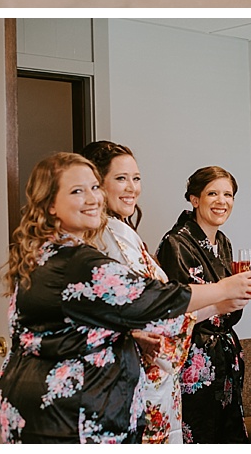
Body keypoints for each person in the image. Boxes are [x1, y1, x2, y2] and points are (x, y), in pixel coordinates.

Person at [0, 153, 251, 443]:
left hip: (54, 406)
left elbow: (75, 322)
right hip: (70, 415)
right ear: (50, 205)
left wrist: (128, 335)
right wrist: (225, 289)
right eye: (77, 191)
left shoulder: (44, 252)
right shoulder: (79, 263)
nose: (92, 198)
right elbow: (153, 298)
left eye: (95, 187)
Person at [79, 140, 206, 444]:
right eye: (121, 178)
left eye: (136, 179)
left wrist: (224, 300)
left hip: (155, 382)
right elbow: (87, 310)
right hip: (121, 379)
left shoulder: (127, 235)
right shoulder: (91, 242)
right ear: (96, 184)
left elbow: (160, 306)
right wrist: (129, 332)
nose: (132, 188)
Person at [157, 166, 251, 443]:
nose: (222, 201)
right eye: (213, 193)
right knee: (198, 434)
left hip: (224, 356)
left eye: (228, 194)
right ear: (194, 199)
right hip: (193, 357)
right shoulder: (175, 243)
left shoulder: (223, 243)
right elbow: (171, 311)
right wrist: (223, 302)